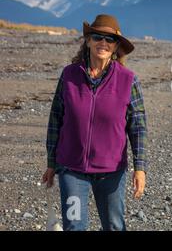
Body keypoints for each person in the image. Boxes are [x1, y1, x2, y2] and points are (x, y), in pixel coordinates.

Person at [41, 14, 148, 231]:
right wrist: (51, 163)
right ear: (88, 40)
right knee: (74, 226)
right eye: (98, 37)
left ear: (116, 46)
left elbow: (138, 127)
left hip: (112, 170)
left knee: (114, 226)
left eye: (109, 39)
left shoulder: (128, 80)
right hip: (71, 168)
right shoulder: (69, 75)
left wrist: (140, 168)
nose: (103, 43)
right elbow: (55, 119)